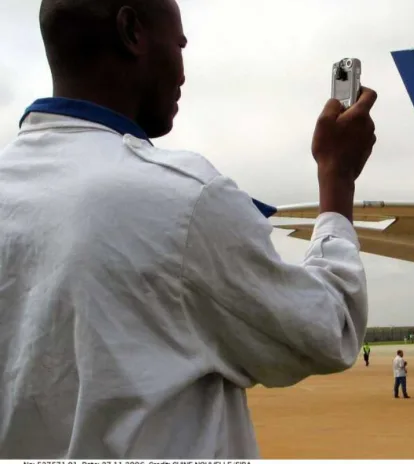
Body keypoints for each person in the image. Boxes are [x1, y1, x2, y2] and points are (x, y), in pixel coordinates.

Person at [0, 0, 377, 459]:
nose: (182, 72)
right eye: (179, 45)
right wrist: (336, 179)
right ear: (131, 30)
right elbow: (328, 330)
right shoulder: (181, 198)